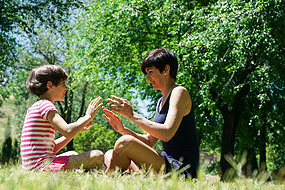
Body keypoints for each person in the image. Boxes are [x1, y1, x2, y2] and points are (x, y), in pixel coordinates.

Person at [103, 48, 199, 178]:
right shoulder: (161, 101)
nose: (147, 78)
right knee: (111, 153)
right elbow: (149, 141)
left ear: (166, 70)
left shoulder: (179, 92)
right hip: (164, 162)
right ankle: (131, 176)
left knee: (124, 144)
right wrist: (123, 129)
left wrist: (133, 116)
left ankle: (107, 178)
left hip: (181, 169)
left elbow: (166, 133)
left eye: (150, 72)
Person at [21, 64, 104, 172]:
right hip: (43, 168)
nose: (66, 88)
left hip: (35, 167)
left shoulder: (36, 107)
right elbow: (67, 130)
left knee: (72, 154)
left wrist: (77, 130)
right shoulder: (46, 105)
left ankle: (78, 173)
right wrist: (87, 116)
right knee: (97, 156)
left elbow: (51, 148)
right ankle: (81, 174)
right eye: (63, 83)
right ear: (50, 85)